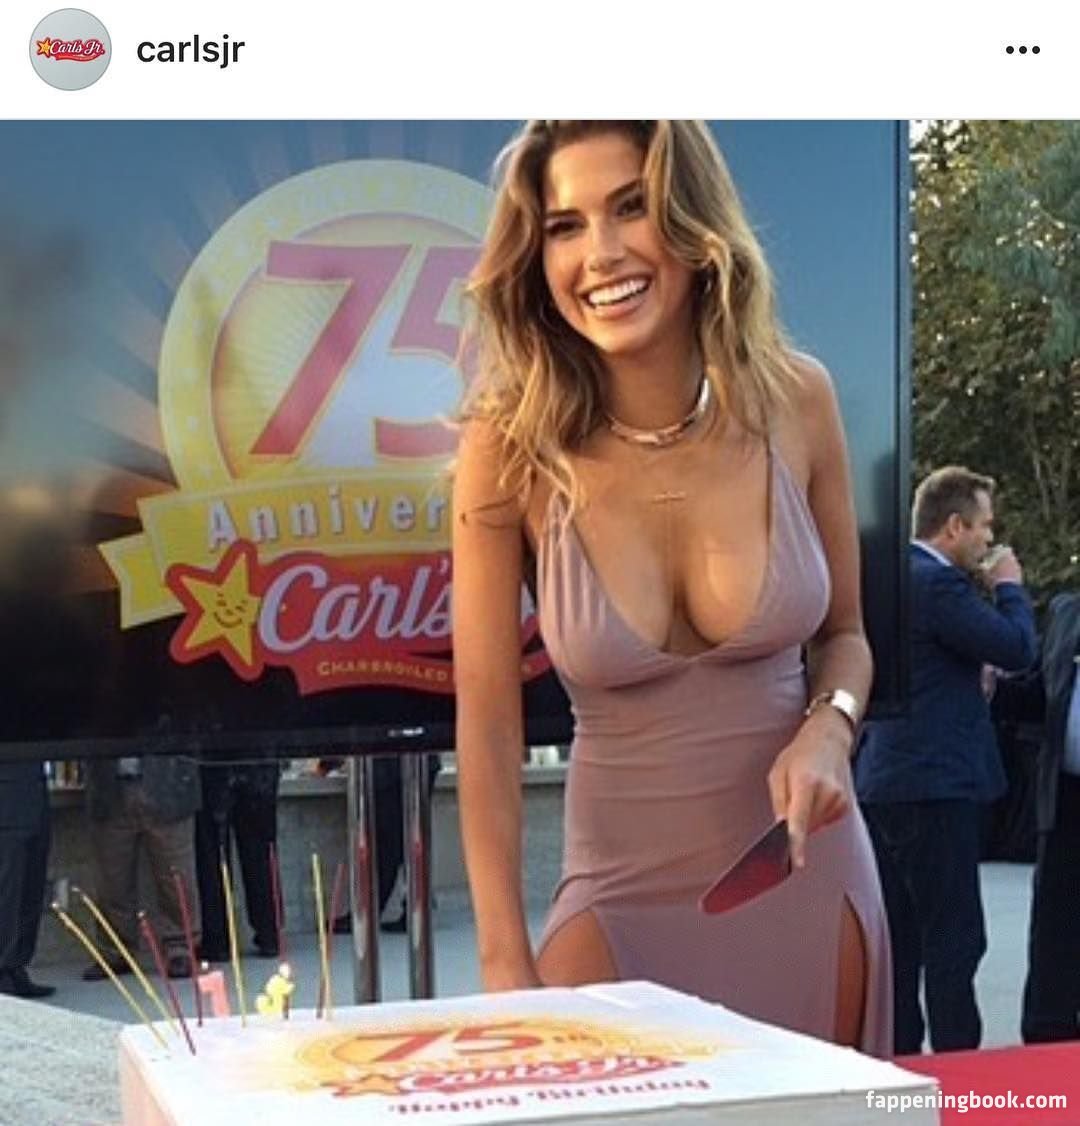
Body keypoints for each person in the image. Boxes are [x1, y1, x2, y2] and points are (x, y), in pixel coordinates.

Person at [452, 120, 891, 1054]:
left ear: (695, 227)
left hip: (805, 877)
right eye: (565, 226)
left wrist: (830, 728)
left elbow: (847, 637)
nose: (600, 254)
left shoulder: (798, 400)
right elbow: (486, 723)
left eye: (631, 207)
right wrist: (502, 963)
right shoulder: (509, 447)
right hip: (615, 904)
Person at [855, 467, 1037, 1053]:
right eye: (984, 527)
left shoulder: (889, 578)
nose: (990, 540)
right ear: (954, 526)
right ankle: (960, 1075)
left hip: (884, 780)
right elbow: (1017, 647)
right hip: (936, 785)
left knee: (900, 941)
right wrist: (1009, 587)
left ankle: (900, 1067)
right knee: (954, 938)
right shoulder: (938, 585)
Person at [1019, 591, 1080, 1042]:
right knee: (1055, 919)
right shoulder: (1066, 610)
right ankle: (1048, 1035)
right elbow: (1041, 694)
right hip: (1065, 792)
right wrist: (993, 689)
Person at [82, 754, 201, 979]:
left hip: (169, 787)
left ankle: (181, 949)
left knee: (176, 877)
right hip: (110, 790)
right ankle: (115, 952)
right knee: (111, 881)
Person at [195, 753, 281, 961]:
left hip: (210, 758)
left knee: (213, 855)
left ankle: (217, 940)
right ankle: (269, 932)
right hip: (258, 758)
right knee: (260, 852)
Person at [0, 760, 54, 998]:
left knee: (31, 889)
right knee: (8, 892)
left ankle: (17, 966)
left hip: (34, 793)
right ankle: (3, 968)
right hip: (7, 802)